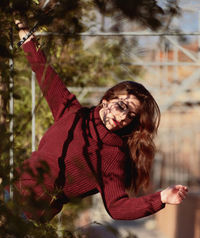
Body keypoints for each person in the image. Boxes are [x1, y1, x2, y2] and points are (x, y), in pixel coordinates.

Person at [13, 20, 188, 222]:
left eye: (131, 116)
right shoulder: (71, 112)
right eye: (122, 106)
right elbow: (45, 73)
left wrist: (161, 198)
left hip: (28, 219)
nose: (123, 117)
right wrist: (25, 35)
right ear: (106, 100)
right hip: (9, 193)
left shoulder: (113, 157)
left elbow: (117, 207)